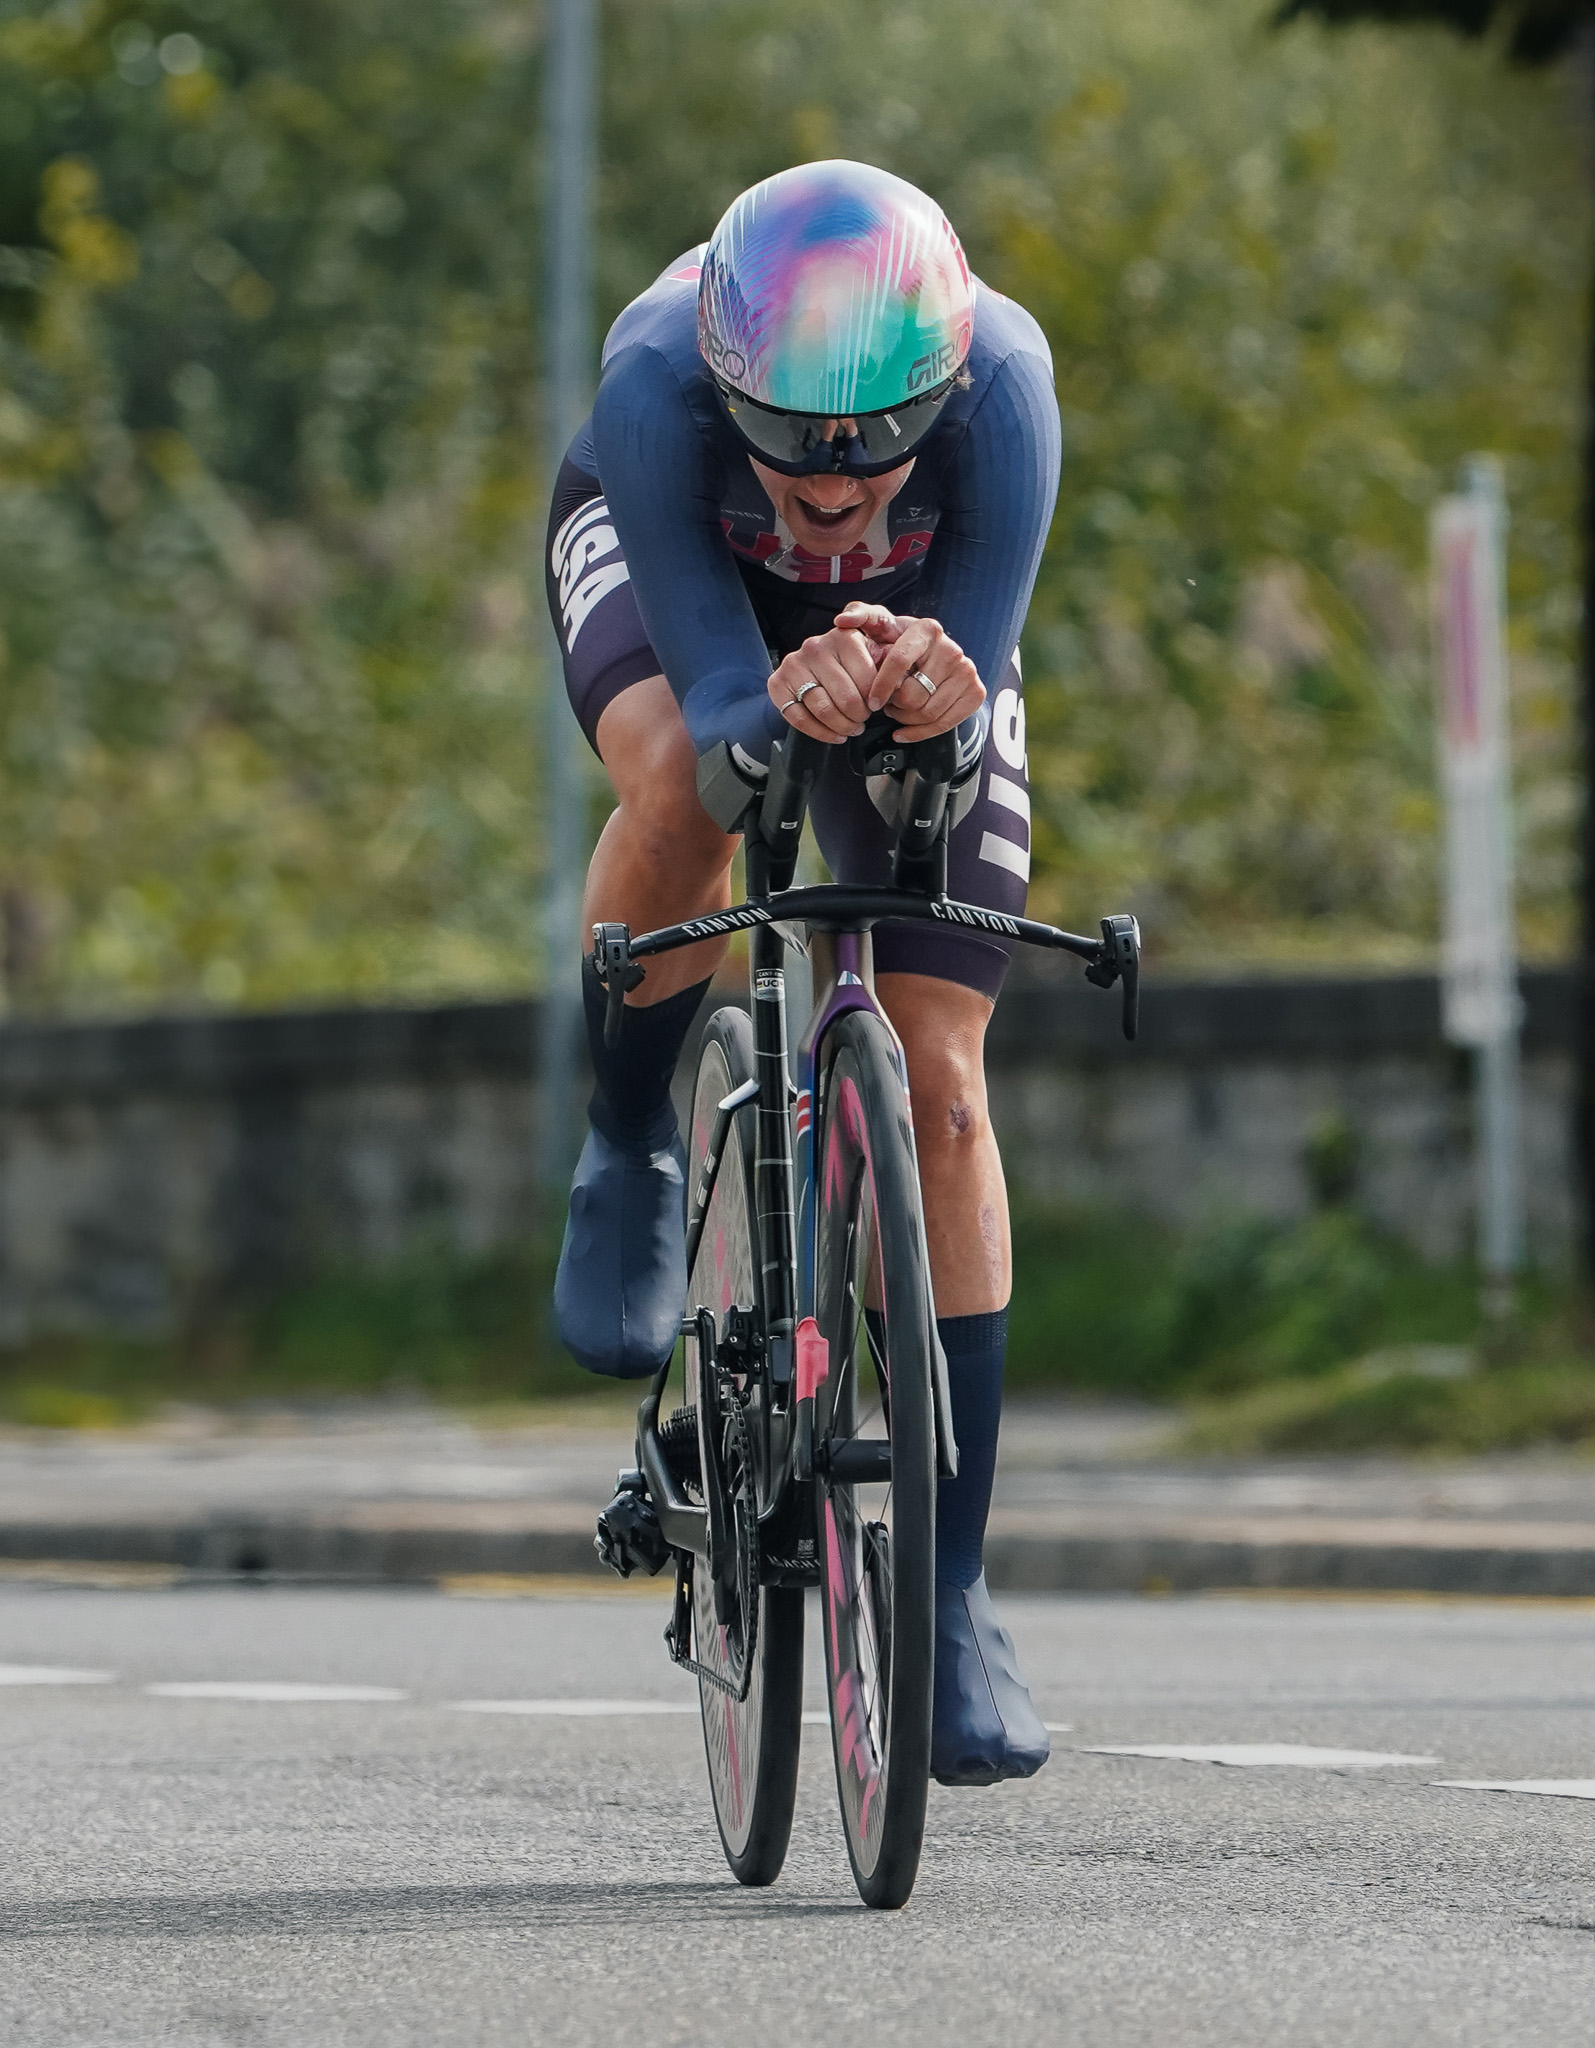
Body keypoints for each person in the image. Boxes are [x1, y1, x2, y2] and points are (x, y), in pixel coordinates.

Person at [546, 160, 1060, 1786]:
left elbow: (973, 680)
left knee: (948, 1081)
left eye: (869, 464)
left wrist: (935, 697)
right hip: (691, 611)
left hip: (907, 636)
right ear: (730, 393)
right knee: (679, 794)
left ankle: (954, 1594)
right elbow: (715, 710)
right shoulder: (655, 386)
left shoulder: (1005, 391)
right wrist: (775, 700)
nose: (827, 496)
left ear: (942, 394)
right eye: (790, 457)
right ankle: (625, 1141)